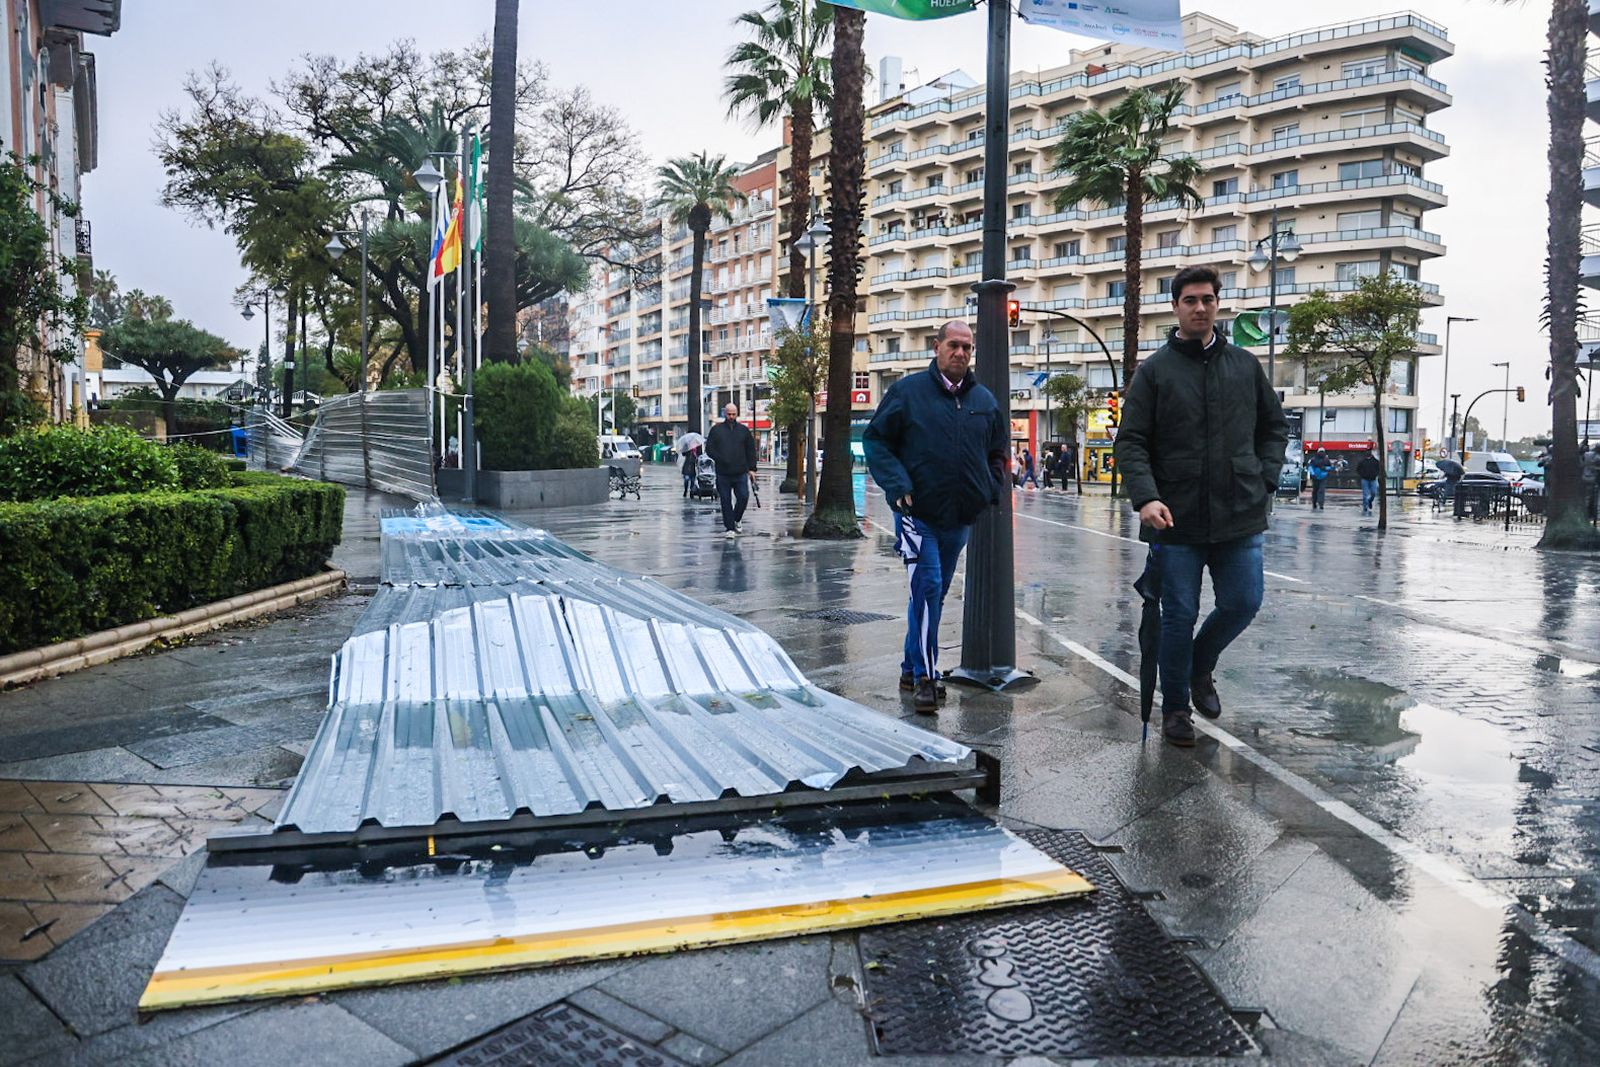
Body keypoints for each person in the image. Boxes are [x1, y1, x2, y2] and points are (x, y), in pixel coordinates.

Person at [1115, 264, 1289, 748]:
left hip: (1240, 513)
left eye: (1207, 299)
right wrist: (1146, 497)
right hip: (1175, 519)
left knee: (1243, 602)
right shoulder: (1154, 372)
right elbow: (1130, 442)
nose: (1199, 307)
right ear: (1175, 307)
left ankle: (1199, 665)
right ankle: (1175, 711)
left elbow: (1273, 429)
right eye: (1189, 300)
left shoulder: (1245, 366)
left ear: (1217, 304)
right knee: (1178, 615)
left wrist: (1265, 479)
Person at [864, 319, 1007, 714]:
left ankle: (910, 667)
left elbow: (997, 452)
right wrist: (898, 485)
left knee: (933, 593)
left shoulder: (984, 401)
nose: (960, 353)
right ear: (936, 346)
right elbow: (875, 440)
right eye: (953, 345)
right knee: (927, 589)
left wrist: (990, 487)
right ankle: (928, 677)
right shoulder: (907, 393)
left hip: (960, 515)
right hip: (916, 514)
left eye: (967, 347)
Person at [706, 403, 758, 538]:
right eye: (729, 414)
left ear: (737, 414)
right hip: (723, 472)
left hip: (741, 471)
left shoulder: (743, 430)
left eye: (733, 414)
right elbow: (709, 449)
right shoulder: (716, 430)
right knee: (725, 500)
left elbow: (750, 450)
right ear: (725, 413)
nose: (731, 417)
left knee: (743, 497)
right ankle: (729, 528)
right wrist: (720, 458)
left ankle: (736, 518)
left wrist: (752, 469)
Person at [1356, 449, 1382, 515]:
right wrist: (1362, 475)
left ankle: (1369, 501)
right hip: (1365, 479)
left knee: (1374, 493)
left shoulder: (1375, 461)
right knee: (1365, 495)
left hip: (1373, 479)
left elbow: (1379, 469)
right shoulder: (1362, 461)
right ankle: (1365, 507)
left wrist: (1376, 474)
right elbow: (1358, 469)